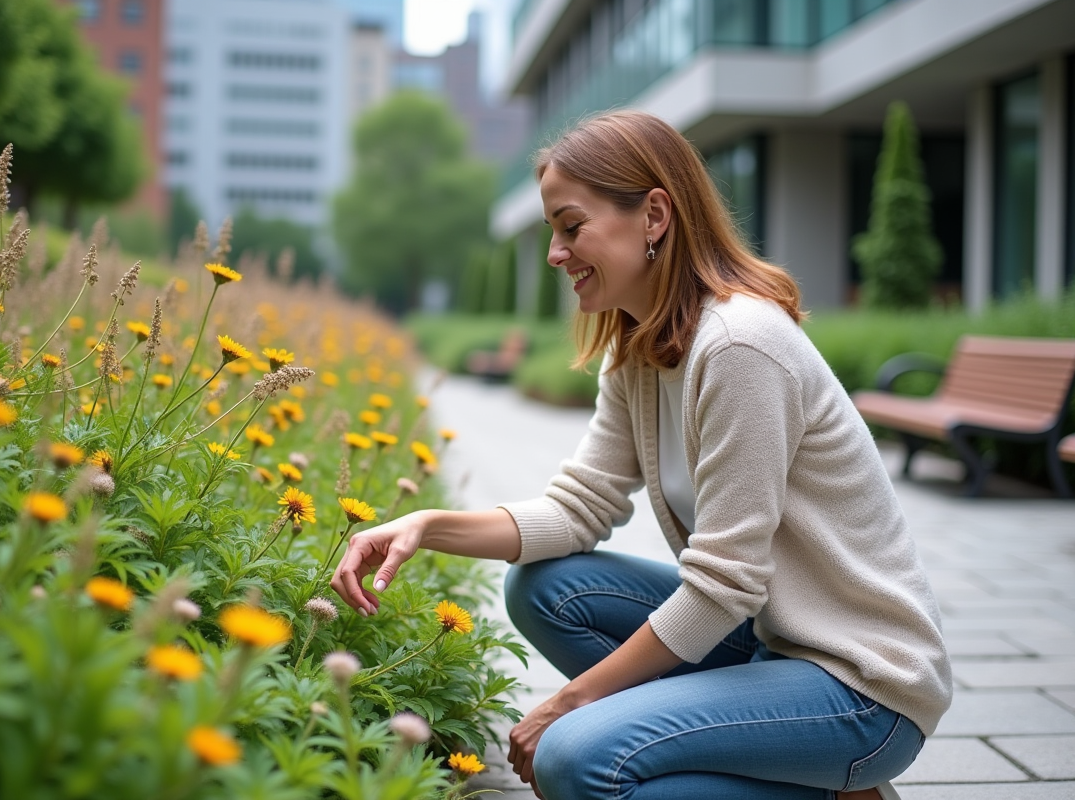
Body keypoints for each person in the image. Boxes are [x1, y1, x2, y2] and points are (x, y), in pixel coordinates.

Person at [331, 110, 952, 800]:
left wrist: (570, 704)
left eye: (572, 227)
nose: (555, 254)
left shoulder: (740, 346)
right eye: (552, 232)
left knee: (576, 758)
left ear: (654, 215)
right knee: (544, 587)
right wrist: (425, 527)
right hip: (771, 641)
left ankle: (826, 781)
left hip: (861, 686)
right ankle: (789, 775)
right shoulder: (640, 349)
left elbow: (723, 585)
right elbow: (579, 509)